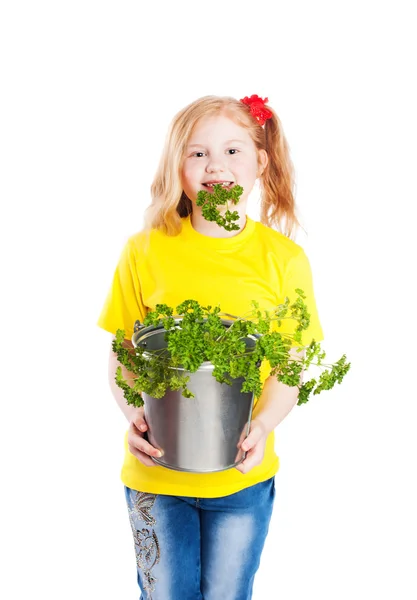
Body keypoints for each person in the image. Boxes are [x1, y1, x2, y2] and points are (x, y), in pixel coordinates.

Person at [97, 94, 324, 600]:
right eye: (197, 153)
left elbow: (290, 364)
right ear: (176, 164)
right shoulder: (146, 249)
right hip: (156, 474)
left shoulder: (283, 260)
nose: (214, 165)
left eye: (232, 151)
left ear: (260, 161)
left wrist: (262, 425)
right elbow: (123, 353)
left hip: (240, 480)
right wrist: (134, 411)